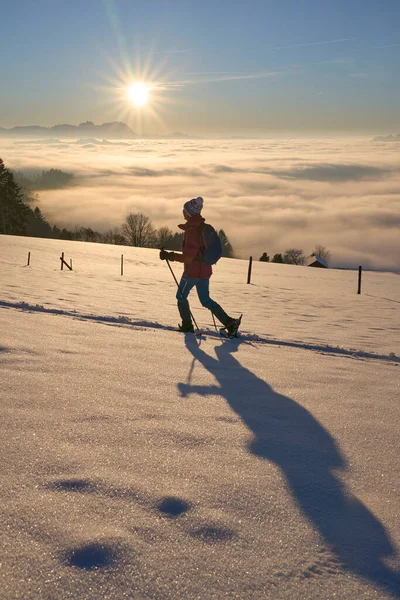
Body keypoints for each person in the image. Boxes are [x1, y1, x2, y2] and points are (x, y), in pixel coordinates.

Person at [159, 196, 239, 334]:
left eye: (184, 210)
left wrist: (169, 256)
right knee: (205, 300)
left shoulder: (192, 231)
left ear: (189, 213)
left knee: (181, 296)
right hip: (205, 272)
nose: (182, 212)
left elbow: (188, 257)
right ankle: (229, 323)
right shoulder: (203, 228)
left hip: (192, 273)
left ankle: (187, 326)